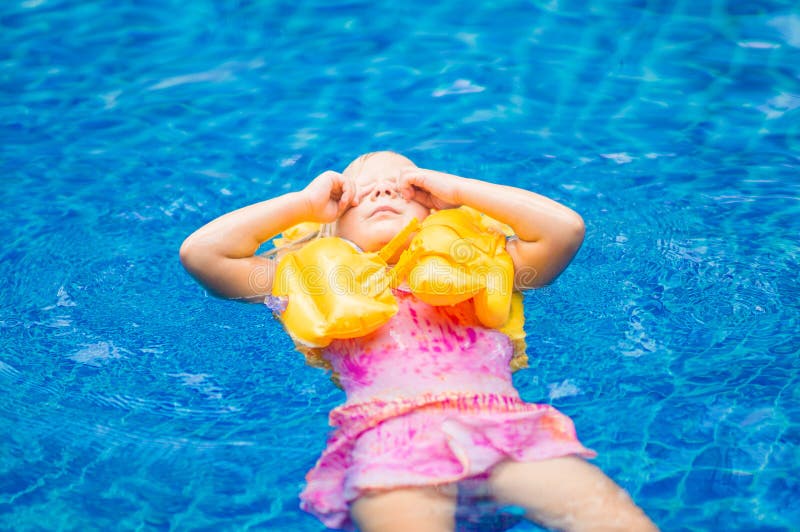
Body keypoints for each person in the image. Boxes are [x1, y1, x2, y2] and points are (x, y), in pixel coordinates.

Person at [179, 151, 658, 532]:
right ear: (330, 225)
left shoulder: (490, 266)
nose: (384, 191)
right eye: (358, 194)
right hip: (388, 439)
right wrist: (304, 204)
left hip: (504, 427)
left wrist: (458, 190)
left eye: (409, 186)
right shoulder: (297, 279)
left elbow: (566, 228)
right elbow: (202, 254)